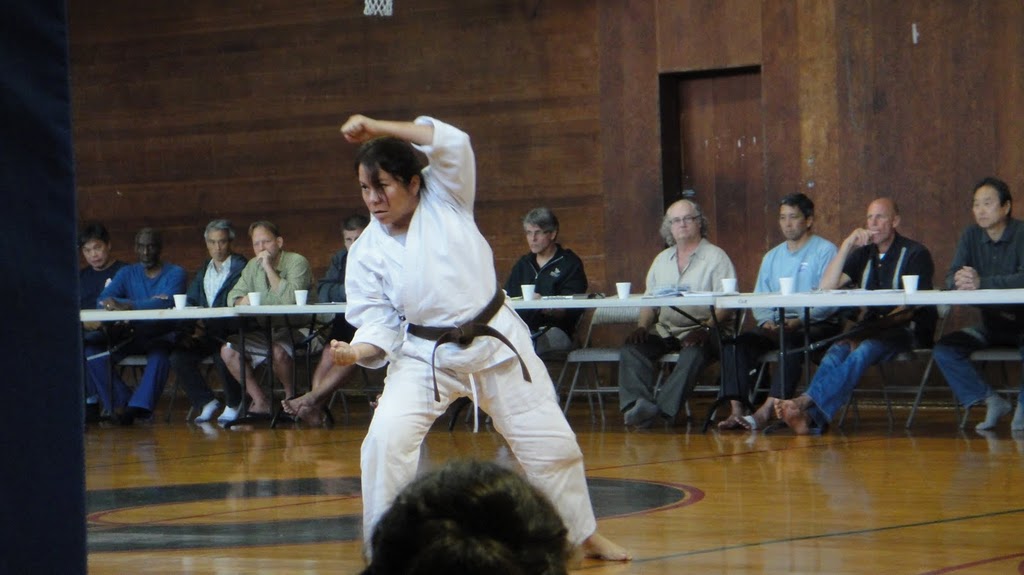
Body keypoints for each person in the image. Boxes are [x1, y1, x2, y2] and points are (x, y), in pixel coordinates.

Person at [331, 114, 628, 561]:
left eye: (384, 186)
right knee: (384, 441)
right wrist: (357, 350)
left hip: (496, 343)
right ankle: (384, 549)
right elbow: (379, 323)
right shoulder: (367, 252)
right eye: (365, 189)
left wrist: (376, 128)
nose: (374, 199)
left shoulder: (447, 196)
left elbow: (451, 142)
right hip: (423, 354)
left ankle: (583, 535)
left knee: (553, 445)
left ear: (414, 183)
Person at [775, 198, 937, 434]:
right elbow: (827, 286)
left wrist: (863, 335)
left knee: (863, 349)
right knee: (836, 350)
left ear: (895, 221)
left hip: (906, 330)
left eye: (880, 217)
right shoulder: (864, 254)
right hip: (869, 329)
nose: (873, 223)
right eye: (869, 217)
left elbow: (908, 311)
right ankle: (810, 420)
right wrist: (847, 244)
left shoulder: (915, 253)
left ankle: (804, 402)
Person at [718, 193, 841, 430]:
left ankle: (766, 411)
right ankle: (737, 410)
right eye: (783, 218)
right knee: (737, 344)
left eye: (793, 217)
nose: (787, 223)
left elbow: (830, 301)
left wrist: (800, 321)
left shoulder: (825, 251)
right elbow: (760, 297)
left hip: (813, 323)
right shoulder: (772, 257)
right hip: (776, 322)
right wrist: (765, 321)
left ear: (808, 220)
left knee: (791, 340)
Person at [617, 198, 736, 429]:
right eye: (676, 220)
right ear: (669, 227)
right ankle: (636, 406)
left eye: (688, 219)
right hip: (667, 330)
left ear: (699, 223)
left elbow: (727, 302)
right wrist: (642, 326)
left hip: (706, 330)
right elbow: (650, 302)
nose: (682, 224)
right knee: (632, 349)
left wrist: (706, 328)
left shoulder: (716, 257)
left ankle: (661, 412)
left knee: (692, 354)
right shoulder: (661, 260)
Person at [360, 459, 571, 575]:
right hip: (426, 379)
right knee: (388, 432)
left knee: (558, 446)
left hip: (503, 377)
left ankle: (585, 534)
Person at [932, 177, 1024, 432]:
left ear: (1005, 207)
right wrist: (959, 279)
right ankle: (991, 400)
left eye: (988, 203)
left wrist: (982, 282)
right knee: (944, 349)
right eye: (976, 204)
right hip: (990, 326)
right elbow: (951, 276)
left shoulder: (1021, 233)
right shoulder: (971, 235)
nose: (980, 210)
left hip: (1021, 323)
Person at [85, 228, 187, 424]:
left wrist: (128, 305)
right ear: (135, 248)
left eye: (151, 246)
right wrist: (117, 304)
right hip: (131, 333)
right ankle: (121, 404)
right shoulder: (127, 273)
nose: (146, 252)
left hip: (163, 334)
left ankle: (139, 408)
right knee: (92, 352)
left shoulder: (175, 272)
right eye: (141, 247)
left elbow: (166, 302)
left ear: (160, 248)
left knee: (160, 355)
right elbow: (102, 300)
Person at [281, 213, 370, 426]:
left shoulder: (377, 257)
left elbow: (370, 292)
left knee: (349, 354)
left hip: (370, 322)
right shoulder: (340, 259)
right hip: (345, 319)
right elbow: (324, 290)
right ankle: (314, 407)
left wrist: (345, 291)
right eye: (348, 239)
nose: (352, 244)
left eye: (357, 239)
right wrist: (350, 291)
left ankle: (312, 400)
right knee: (330, 352)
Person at [221, 220, 313, 417]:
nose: (261, 248)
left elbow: (289, 300)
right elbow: (232, 296)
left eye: (266, 242)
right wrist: (241, 300)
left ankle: (291, 400)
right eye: (256, 244)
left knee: (278, 350)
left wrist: (269, 268)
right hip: (270, 330)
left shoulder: (297, 262)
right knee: (228, 350)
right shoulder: (252, 267)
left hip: (305, 329)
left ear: (279, 242)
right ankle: (261, 400)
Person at [168, 219, 247, 424]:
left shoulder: (242, 267)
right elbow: (193, 299)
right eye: (212, 242)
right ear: (206, 244)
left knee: (222, 353)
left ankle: (234, 402)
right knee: (178, 356)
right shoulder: (205, 269)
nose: (217, 247)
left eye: (221, 242)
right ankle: (205, 401)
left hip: (230, 332)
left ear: (231, 242)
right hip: (205, 332)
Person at [504, 207, 588, 357]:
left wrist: (544, 306)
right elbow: (508, 299)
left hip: (557, 330)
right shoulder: (523, 264)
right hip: (522, 330)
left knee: (526, 345)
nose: (532, 239)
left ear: (552, 234)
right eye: (528, 233)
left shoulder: (569, 263)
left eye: (538, 232)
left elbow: (572, 309)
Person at [78, 222, 127, 421]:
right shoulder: (80, 277)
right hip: (86, 332)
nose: (93, 255)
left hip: (119, 332)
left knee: (87, 348)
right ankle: (95, 401)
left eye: (97, 248)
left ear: (108, 245)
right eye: (87, 250)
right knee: (81, 346)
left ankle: (114, 404)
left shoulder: (124, 272)